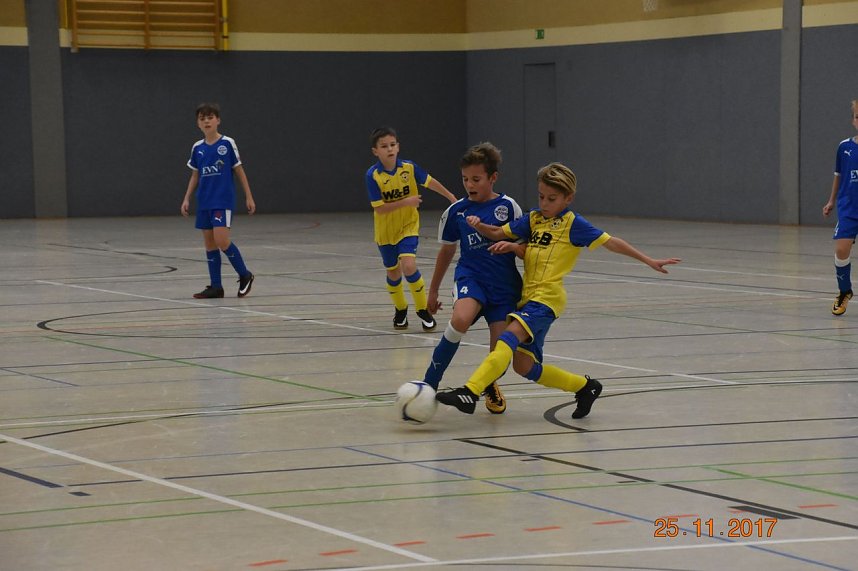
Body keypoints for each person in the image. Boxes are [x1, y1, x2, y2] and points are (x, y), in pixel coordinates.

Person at [436, 162, 681, 419]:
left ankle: (471, 391)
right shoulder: (533, 219)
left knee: (507, 338)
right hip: (527, 299)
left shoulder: (573, 224)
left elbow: (612, 243)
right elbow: (499, 232)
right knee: (525, 367)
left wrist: (649, 260)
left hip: (547, 300)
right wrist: (480, 227)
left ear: (568, 198)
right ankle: (585, 387)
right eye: (541, 196)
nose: (544, 203)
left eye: (552, 199)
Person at [423, 142, 524, 414]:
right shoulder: (456, 211)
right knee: (460, 319)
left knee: (501, 353)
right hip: (472, 277)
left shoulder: (509, 207)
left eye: (476, 179)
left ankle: (488, 384)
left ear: (493, 178)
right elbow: (446, 251)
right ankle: (429, 384)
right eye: (465, 179)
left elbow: (527, 249)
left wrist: (514, 247)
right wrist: (432, 292)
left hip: (504, 287)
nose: (470, 184)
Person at [365, 126, 457, 330]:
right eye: (384, 146)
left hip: (408, 226)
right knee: (393, 273)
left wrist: (450, 196)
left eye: (392, 144)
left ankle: (422, 308)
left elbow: (428, 181)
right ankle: (400, 309)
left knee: (409, 266)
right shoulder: (373, 176)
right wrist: (407, 202)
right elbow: (379, 209)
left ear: (398, 147)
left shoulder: (409, 168)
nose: (389, 149)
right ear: (375, 151)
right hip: (386, 231)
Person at [181, 102, 256, 299]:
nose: (206, 121)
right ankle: (216, 287)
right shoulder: (197, 147)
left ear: (218, 120)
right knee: (209, 244)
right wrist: (186, 198)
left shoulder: (227, 143)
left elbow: (239, 170)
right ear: (198, 123)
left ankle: (245, 274)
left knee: (222, 240)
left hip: (222, 200)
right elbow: (195, 175)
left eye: (210, 117)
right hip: (204, 201)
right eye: (202, 118)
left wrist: (249, 196)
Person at [822, 99, 858, 315]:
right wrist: (831, 201)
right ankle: (845, 291)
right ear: (853, 120)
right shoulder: (844, 147)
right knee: (841, 248)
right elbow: (838, 176)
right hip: (848, 208)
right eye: (857, 116)